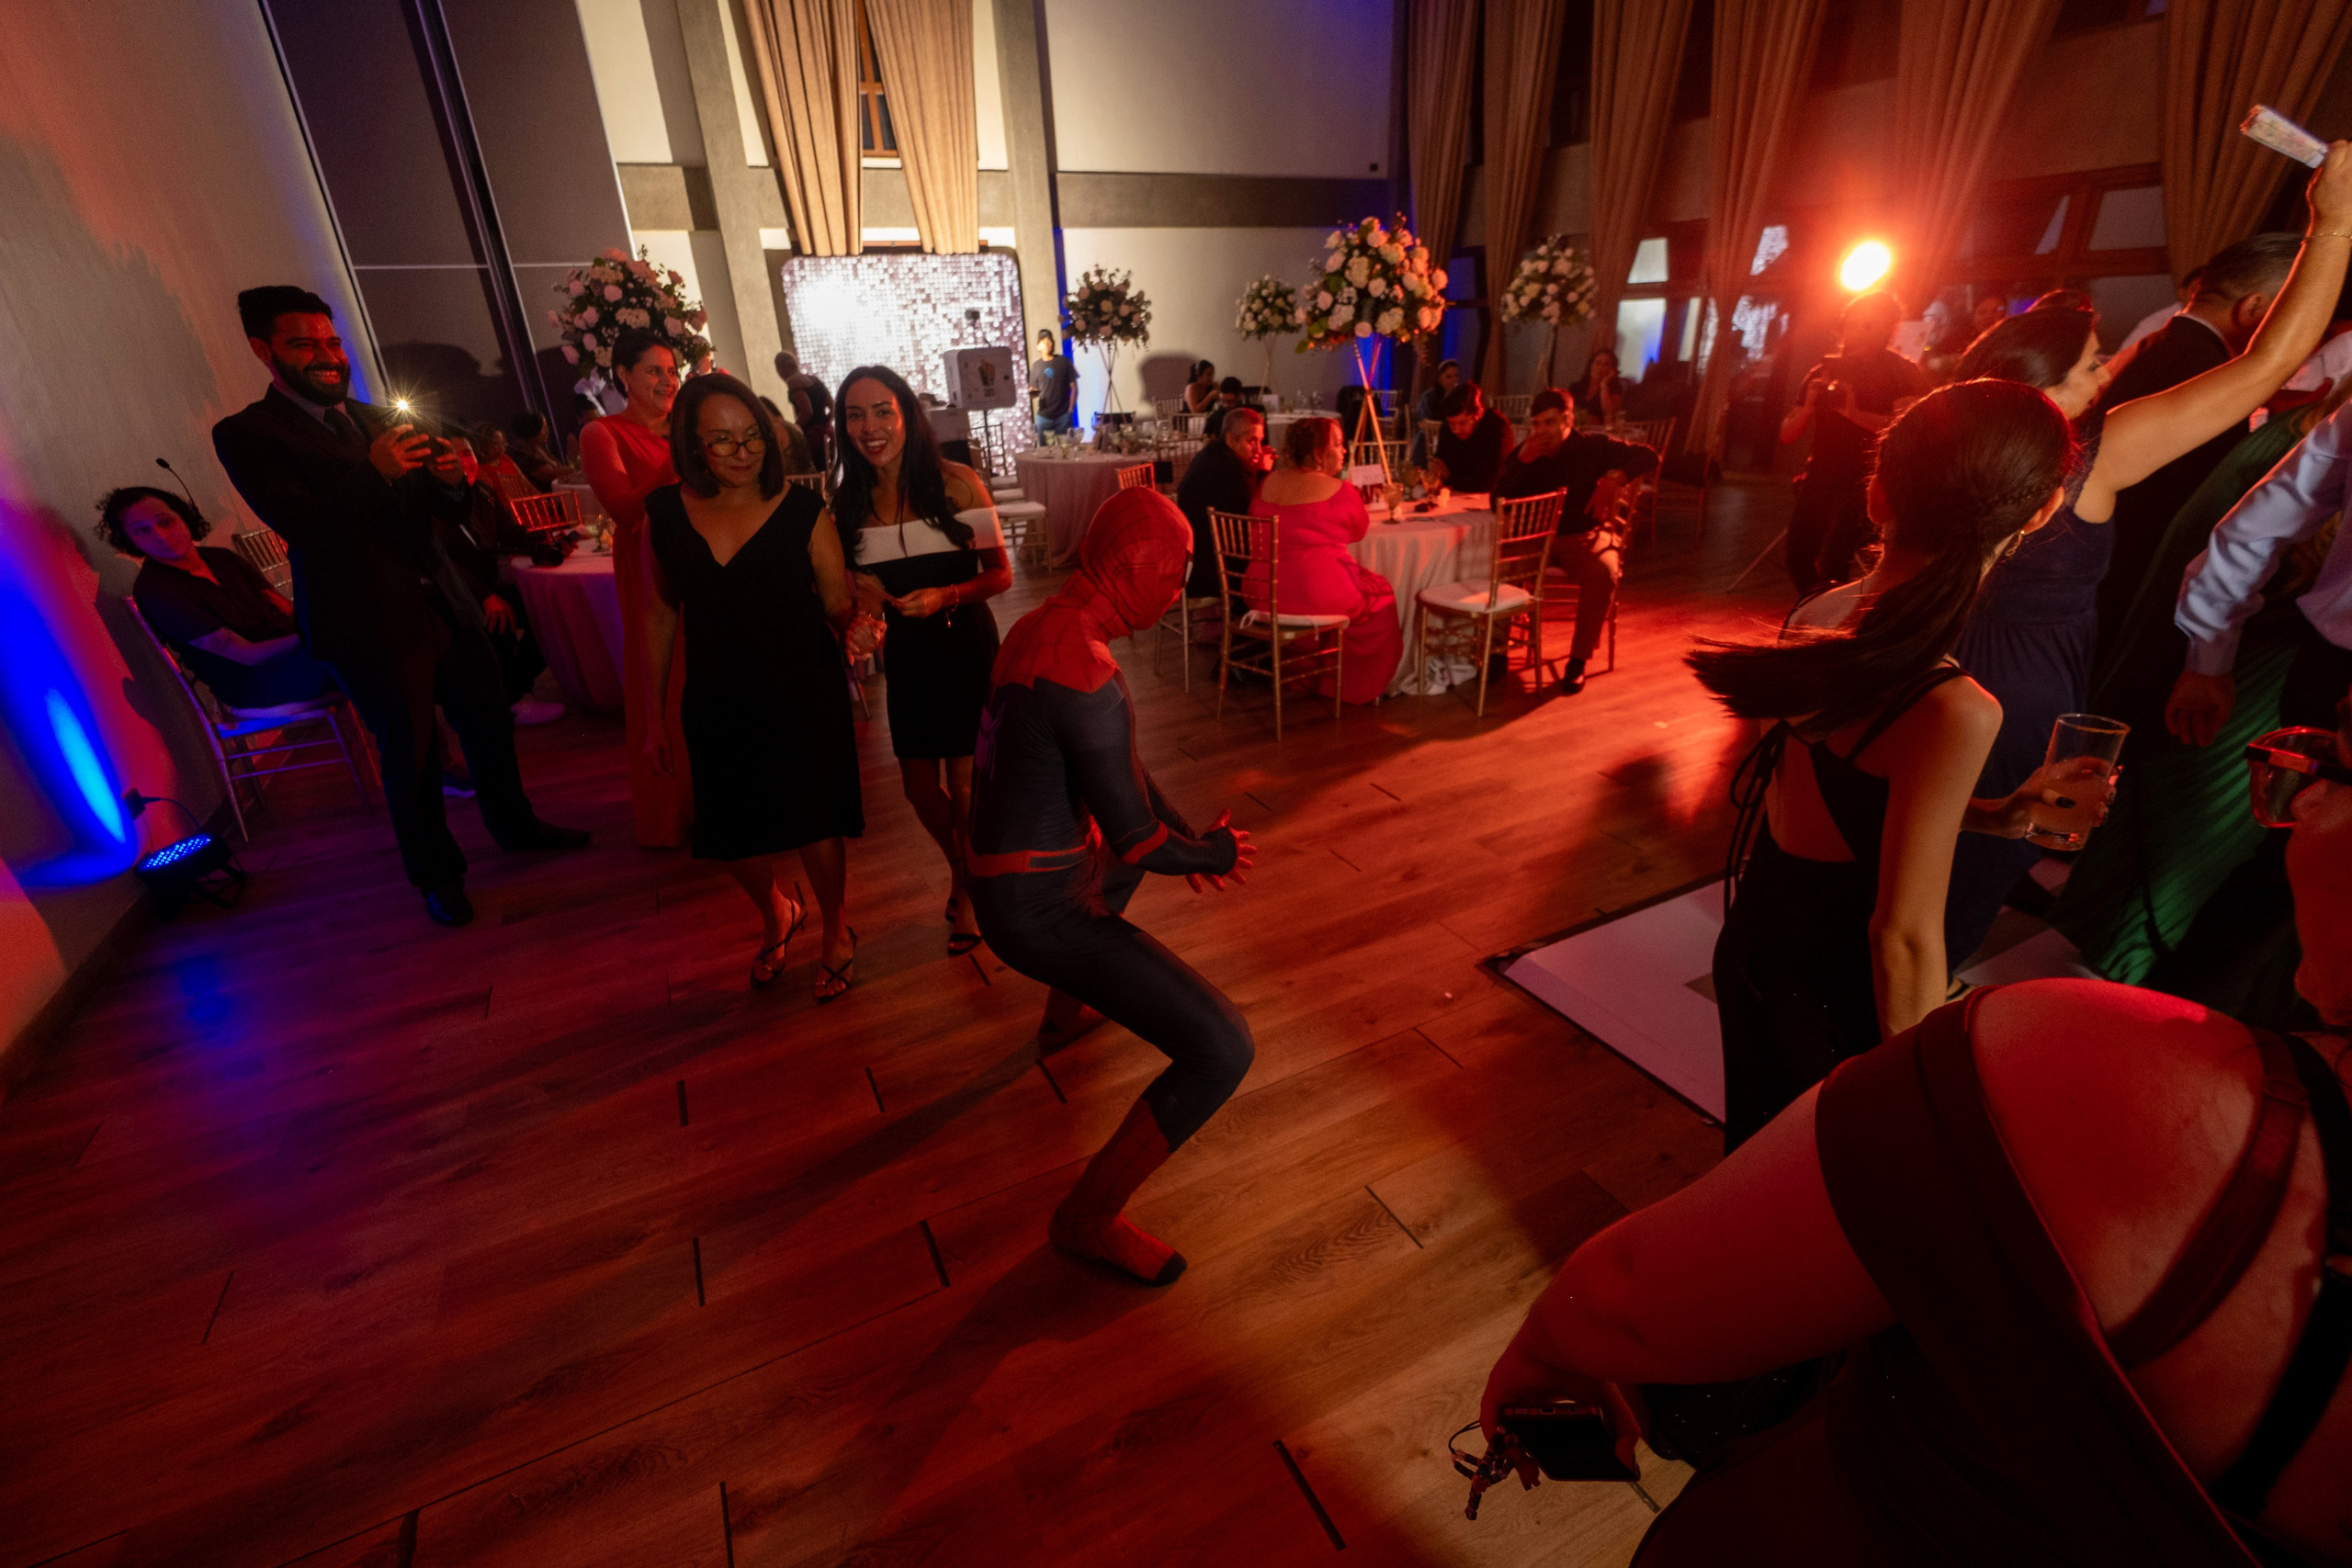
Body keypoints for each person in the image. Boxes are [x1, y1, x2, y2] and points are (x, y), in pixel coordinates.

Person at [1481, 705, 2352, 1566]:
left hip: (1778, 961)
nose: (2300, 803)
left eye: (2333, 766)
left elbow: (1625, 1296)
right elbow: (1898, 917)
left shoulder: (2097, 1069)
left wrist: (1547, 1344)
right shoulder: (1955, 706)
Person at [1939, 162, 2352, 970]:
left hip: (1972, 680)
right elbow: (2262, 368)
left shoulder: (1963, 456)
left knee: (1946, 837)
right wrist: (2332, 222)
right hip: (2023, 697)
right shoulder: (2079, 465)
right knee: (1959, 872)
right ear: (2039, 395)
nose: (2111, 371)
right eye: (2094, 365)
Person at [1694, 380, 2101, 1150]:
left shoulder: (1817, 615)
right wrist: (1922, 1094)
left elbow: (1830, 802)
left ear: (1878, 496)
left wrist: (1995, 811)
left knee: (1760, 1169)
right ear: (2043, 511)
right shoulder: (1956, 707)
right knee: (1826, 1204)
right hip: (1830, 992)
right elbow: (1903, 939)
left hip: (1757, 948)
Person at [211, 286, 586, 928]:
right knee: (411, 755)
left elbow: (432, 518)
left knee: (489, 724)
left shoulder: (376, 416)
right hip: (367, 623)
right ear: (263, 350)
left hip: (444, 602)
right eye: (304, 344)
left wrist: (448, 485)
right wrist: (374, 473)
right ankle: (437, 877)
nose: (328, 357)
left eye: (332, 342)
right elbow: (304, 527)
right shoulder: (248, 433)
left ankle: (516, 825)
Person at [966, 487, 1258, 1284]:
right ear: (1136, 566)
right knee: (1223, 1048)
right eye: (1174, 575)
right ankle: (1084, 1218)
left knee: (1118, 856)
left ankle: (1065, 1015)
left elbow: (1123, 774)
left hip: (1005, 879)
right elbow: (1141, 841)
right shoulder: (1085, 674)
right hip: (1034, 911)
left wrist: (1189, 835)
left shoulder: (1040, 626)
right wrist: (1215, 853)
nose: (1176, 593)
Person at [2047, 388, 2352, 1025]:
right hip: (2331, 682)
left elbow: (2259, 520)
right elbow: (2261, 521)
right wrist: (2208, 657)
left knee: (2279, 883)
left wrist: (2209, 658)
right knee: (2282, 882)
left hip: (2328, 674)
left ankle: (2204, 1039)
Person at [639, 375, 873, 997]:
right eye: (722, 441)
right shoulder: (663, 515)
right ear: (692, 444)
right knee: (733, 830)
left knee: (815, 821)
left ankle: (837, 926)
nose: (742, 453)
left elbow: (835, 603)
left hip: (803, 687)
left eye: (753, 439)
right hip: (716, 694)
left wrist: (859, 627)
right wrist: (655, 715)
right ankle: (777, 912)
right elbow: (661, 611)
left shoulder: (802, 510)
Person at [831, 366, 1012, 959]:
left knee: (965, 786)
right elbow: (867, 595)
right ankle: (967, 867)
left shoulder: (957, 484)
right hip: (908, 656)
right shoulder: (849, 504)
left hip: (965, 642)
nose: (870, 427)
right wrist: (864, 625)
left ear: (906, 413)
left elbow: (1000, 574)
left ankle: (968, 886)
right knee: (916, 788)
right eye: (855, 415)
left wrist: (946, 595)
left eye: (882, 410)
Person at [2097, 232, 2311, 650]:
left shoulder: (2157, 344)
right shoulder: (2205, 372)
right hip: (2124, 577)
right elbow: (2189, 504)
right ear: (2254, 307)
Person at [580, 327, 693, 849]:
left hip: (702, 562)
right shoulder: (603, 434)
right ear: (624, 375)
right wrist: (679, 460)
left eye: (672, 372)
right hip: (651, 569)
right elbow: (624, 512)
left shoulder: (687, 428)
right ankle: (675, 812)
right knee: (666, 681)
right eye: (654, 371)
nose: (668, 381)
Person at [100, 487, 340, 711]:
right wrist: (313, 637)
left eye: (165, 522)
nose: (160, 536)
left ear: (183, 517)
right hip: (251, 683)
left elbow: (284, 608)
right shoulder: (157, 591)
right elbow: (247, 655)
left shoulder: (222, 558)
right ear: (129, 540)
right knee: (353, 652)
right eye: (142, 530)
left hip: (296, 655)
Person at [1493, 389, 1658, 694]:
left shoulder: (1593, 447)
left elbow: (1649, 455)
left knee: (1602, 574)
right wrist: (1521, 463)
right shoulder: (1528, 452)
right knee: (1502, 570)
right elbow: (1498, 501)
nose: (1542, 431)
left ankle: (1578, 662)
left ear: (1568, 419)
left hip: (1583, 536)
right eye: (1537, 424)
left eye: (1550, 422)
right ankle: (1497, 652)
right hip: (1536, 538)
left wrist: (1614, 477)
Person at [1778, 291, 1931, 592]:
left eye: (1869, 326)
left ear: (1889, 329)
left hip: (1868, 481)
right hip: (1819, 476)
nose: (1857, 333)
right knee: (1797, 557)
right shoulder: (1822, 371)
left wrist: (1854, 413)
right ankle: (1816, 617)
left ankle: (1828, 628)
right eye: (1852, 325)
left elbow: (1908, 429)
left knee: (1834, 562)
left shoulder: (1901, 371)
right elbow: (1787, 434)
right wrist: (1808, 408)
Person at [1248, 417, 1403, 703]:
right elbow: (1358, 531)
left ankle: (1304, 675)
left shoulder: (1269, 481)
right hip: (1312, 591)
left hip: (1263, 590)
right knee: (1381, 594)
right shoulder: (1340, 490)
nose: (1344, 451)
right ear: (1319, 453)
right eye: (1338, 444)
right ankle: (1350, 684)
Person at [436, 437, 561, 726]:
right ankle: (512, 701)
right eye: (451, 456)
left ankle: (514, 688)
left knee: (546, 611)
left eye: (466, 453)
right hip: (453, 597)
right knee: (500, 619)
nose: (461, 462)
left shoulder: (482, 492)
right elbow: (441, 563)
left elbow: (511, 533)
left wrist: (544, 544)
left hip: (486, 585)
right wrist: (483, 596)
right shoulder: (434, 504)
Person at [1174, 405, 1270, 598]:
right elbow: (1251, 514)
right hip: (1214, 571)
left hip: (1191, 561)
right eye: (1251, 441)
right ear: (1230, 439)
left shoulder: (1210, 454)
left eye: (1260, 441)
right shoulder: (1232, 469)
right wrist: (1263, 472)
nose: (1258, 449)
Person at [1427, 382, 1514, 493]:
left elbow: (1488, 483)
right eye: (1452, 424)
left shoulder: (1496, 427)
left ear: (1478, 414)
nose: (1456, 430)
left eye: (1463, 423)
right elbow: (1439, 464)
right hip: (1456, 497)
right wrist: (1436, 476)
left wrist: (1450, 477)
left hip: (1490, 502)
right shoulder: (1447, 427)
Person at [2114, 265, 2200, 356]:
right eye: (2195, 290)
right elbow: (2124, 355)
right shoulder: (2158, 322)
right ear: (2182, 293)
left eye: (2207, 291)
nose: (2201, 296)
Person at [775, 350, 833, 468]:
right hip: (828, 432)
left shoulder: (793, 381)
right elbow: (832, 405)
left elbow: (807, 411)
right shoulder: (814, 379)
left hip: (812, 437)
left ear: (784, 367)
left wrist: (793, 430)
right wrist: (826, 423)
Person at [1410, 356, 1463, 468]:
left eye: (1456, 376)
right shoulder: (1429, 396)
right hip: (1431, 439)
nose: (1454, 381)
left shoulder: (1461, 397)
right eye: (1448, 377)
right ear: (1439, 379)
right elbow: (1423, 422)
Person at [505, 410, 573, 489]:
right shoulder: (521, 451)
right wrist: (578, 469)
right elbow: (550, 475)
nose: (547, 430)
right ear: (532, 429)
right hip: (544, 497)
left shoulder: (537, 446)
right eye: (544, 427)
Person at [1030, 328, 1077, 441]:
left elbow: (1074, 388)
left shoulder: (1064, 361)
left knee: (1065, 450)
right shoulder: (1036, 366)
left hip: (1063, 415)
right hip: (1044, 417)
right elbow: (1033, 391)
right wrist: (1032, 393)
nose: (1047, 344)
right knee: (1045, 454)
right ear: (1038, 346)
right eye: (1043, 341)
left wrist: (1070, 409)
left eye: (1049, 340)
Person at [753, 395, 819, 473]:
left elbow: (776, 465)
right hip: (813, 476)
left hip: (797, 480)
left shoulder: (775, 430)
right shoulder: (792, 426)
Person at [1570, 349, 1627, 425]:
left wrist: (1604, 385)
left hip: (1598, 431)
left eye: (1606, 364)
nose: (1600, 367)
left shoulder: (1615, 389)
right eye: (1598, 363)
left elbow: (1609, 412)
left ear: (1611, 369)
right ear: (1591, 365)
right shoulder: (1576, 387)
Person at [1201, 376, 1249, 440]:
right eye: (1222, 401)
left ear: (1239, 397)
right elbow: (1205, 441)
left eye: (1230, 401)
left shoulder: (1249, 418)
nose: (1225, 405)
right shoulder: (1213, 419)